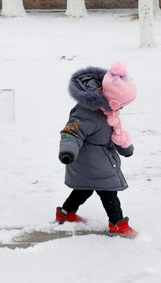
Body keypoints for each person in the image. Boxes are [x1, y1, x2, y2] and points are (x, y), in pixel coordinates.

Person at [56, 62, 138, 238]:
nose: (122, 108)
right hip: (89, 161)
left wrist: (126, 148)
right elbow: (72, 132)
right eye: (122, 104)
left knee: (84, 189)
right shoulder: (87, 113)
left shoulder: (108, 112)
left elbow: (114, 133)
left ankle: (65, 213)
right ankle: (118, 224)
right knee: (108, 191)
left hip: (99, 159)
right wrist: (68, 151)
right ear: (113, 100)